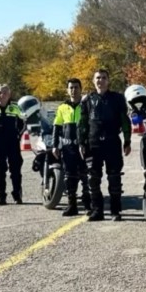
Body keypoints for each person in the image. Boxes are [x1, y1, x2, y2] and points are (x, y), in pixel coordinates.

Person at [78, 69, 131, 221]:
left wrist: (127, 141)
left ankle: (115, 211)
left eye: (103, 78)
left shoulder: (117, 98)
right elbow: (82, 123)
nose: (100, 81)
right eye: (97, 78)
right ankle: (97, 211)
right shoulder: (87, 100)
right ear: (93, 81)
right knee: (93, 179)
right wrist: (82, 142)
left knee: (114, 178)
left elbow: (124, 121)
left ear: (108, 81)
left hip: (112, 142)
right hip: (93, 143)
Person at [52, 78, 91, 216]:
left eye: (76, 87)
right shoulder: (62, 107)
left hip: (84, 147)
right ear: (67, 90)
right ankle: (72, 205)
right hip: (68, 148)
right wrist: (55, 145)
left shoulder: (87, 105)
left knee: (86, 177)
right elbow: (56, 127)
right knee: (69, 177)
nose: (74, 90)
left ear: (81, 89)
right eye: (71, 88)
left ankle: (88, 205)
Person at [0, 84, 25, 206]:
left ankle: (17, 195)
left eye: (4, 93)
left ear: (9, 94)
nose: (2, 95)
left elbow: (23, 123)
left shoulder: (15, 108)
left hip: (12, 144)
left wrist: (18, 135)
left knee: (15, 170)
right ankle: (1, 197)